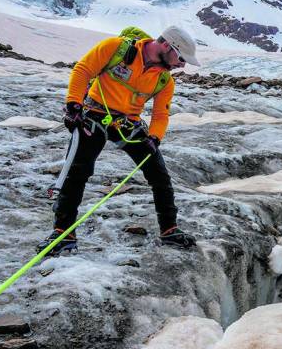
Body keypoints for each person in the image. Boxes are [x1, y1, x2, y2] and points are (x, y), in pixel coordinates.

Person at [38, 26, 200, 254]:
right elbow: (83, 70)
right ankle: (62, 233)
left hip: (127, 124)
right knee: (77, 173)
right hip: (93, 116)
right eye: (181, 58)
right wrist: (74, 104)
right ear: (166, 46)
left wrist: (154, 137)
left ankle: (169, 229)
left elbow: (161, 114)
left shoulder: (164, 81)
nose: (182, 65)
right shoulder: (115, 48)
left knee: (159, 174)